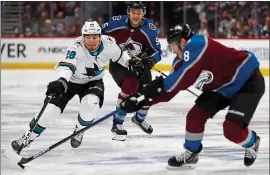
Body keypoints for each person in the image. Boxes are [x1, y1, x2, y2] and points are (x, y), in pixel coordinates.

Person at [120, 24, 265, 168]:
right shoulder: (181, 60)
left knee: (232, 130)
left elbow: (183, 79)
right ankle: (192, 153)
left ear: (182, 41)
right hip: (222, 89)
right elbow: (170, 89)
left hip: (247, 80)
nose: (173, 51)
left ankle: (252, 142)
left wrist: (152, 89)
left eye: (173, 47)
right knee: (195, 116)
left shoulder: (197, 44)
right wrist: (142, 99)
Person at [11, 21, 143, 151]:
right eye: (88, 37)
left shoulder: (109, 43)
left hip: (93, 82)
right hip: (71, 81)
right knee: (50, 111)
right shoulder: (76, 47)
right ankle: (26, 138)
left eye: (94, 37)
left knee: (91, 104)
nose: (91, 41)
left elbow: (119, 55)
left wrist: (129, 62)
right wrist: (61, 81)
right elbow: (68, 66)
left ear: (100, 36)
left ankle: (79, 130)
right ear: (83, 37)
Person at [102, 1, 162, 141]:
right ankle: (117, 123)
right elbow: (98, 33)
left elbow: (157, 51)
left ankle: (139, 118)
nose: (136, 15)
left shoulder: (150, 29)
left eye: (139, 12)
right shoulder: (116, 23)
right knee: (130, 85)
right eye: (133, 12)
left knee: (150, 92)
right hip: (119, 63)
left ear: (144, 13)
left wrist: (151, 60)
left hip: (140, 64)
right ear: (128, 12)